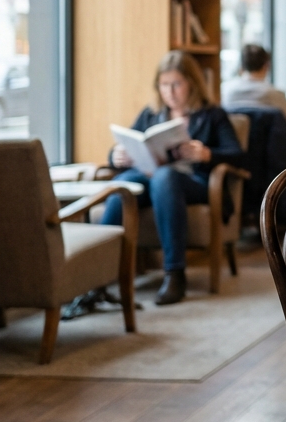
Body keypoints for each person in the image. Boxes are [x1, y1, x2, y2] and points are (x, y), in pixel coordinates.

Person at [103, 51, 245, 305]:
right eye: (164, 84)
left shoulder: (212, 115)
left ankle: (175, 274)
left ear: (191, 82)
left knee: (165, 177)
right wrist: (117, 156)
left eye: (176, 84)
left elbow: (238, 156)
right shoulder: (151, 114)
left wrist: (206, 153)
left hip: (196, 183)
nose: (169, 91)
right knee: (120, 191)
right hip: (151, 179)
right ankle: (97, 281)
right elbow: (129, 142)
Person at [222, 43, 286, 130]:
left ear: (241, 67)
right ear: (266, 66)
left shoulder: (224, 91)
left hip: (234, 142)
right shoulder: (275, 95)